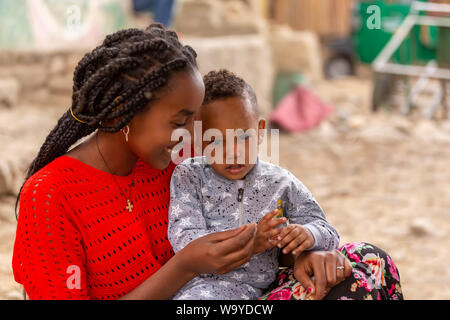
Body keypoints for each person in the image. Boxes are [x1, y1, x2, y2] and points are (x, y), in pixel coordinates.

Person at [11, 23, 402, 300]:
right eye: (180, 122)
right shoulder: (51, 195)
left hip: (233, 289)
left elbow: (248, 221)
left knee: (366, 263)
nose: (194, 139)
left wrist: (301, 252)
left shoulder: (173, 164)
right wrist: (184, 266)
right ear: (122, 111)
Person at [168, 70, 403, 301]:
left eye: (243, 137)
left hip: (270, 286)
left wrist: (307, 236)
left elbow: (327, 231)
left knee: (369, 260)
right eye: (216, 141)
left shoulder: (279, 181)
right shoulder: (190, 176)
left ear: (260, 131)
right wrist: (251, 242)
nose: (233, 153)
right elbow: (185, 239)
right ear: (198, 140)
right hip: (207, 290)